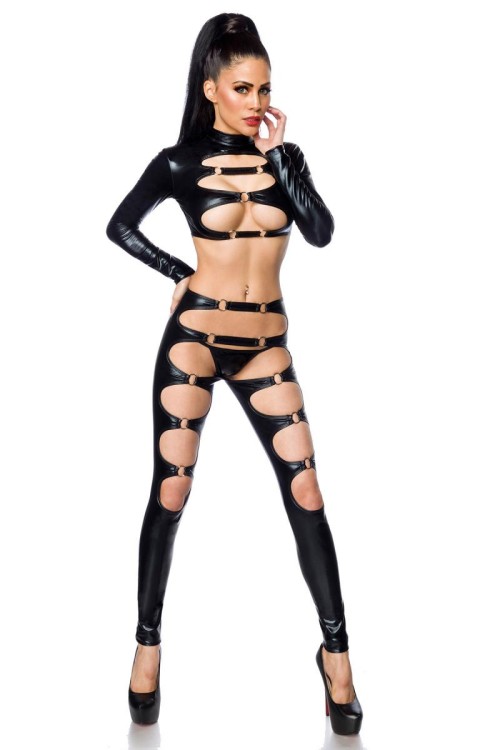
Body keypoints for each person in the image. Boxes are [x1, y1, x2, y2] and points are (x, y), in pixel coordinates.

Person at [105, 12, 363, 736]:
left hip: (264, 344)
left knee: (307, 490)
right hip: (194, 340)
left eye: (266, 88)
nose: (257, 101)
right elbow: (119, 225)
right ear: (211, 88)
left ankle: (337, 655)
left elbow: (320, 233)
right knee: (171, 490)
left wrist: (284, 162)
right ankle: (147, 646)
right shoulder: (179, 163)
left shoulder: (284, 158)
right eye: (243, 88)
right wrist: (176, 271)